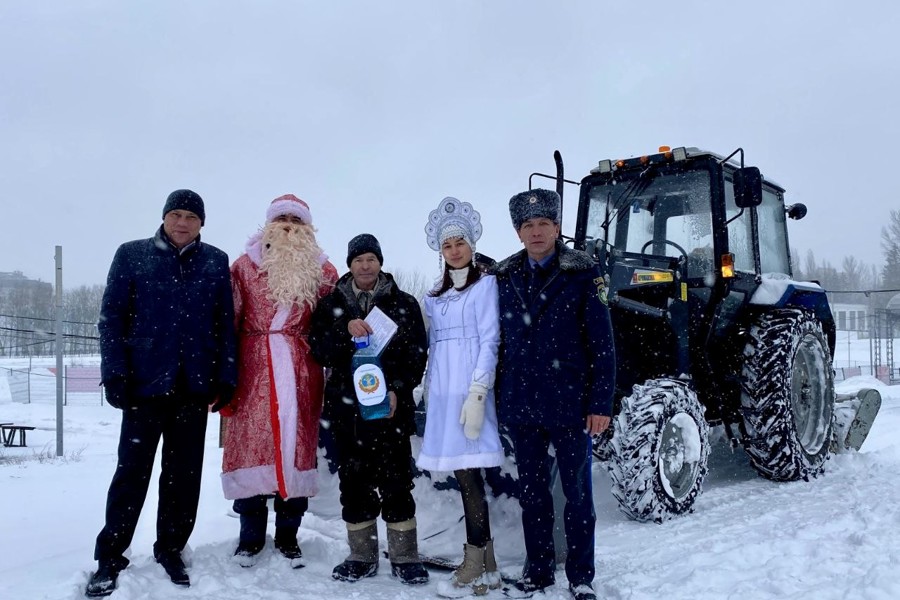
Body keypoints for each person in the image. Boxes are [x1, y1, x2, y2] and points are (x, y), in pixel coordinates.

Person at [86, 189, 238, 597]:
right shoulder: (132, 254)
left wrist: (225, 378)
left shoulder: (215, 261)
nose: (182, 222)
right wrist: (115, 373)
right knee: (130, 475)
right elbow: (111, 317)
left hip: (192, 388)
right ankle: (110, 557)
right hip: (144, 385)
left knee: (183, 477)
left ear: (202, 223)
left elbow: (225, 323)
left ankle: (171, 548)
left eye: (190, 215)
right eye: (175, 214)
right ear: (164, 217)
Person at [494, 189, 615, 600]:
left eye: (544, 224)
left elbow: (603, 345)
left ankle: (581, 576)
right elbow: (498, 344)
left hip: (570, 404)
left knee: (577, 494)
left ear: (557, 228)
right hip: (522, 404)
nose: (536, 232)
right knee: (532, 495)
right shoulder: (505, 276)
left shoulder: (582, 273)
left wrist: (600, 403)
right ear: (518, 232)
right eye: (528, 226)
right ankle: (539, 570)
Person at [220, 194, 338, 568]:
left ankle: (288, 536)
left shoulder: (324, 272)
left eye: (296, 219)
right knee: (253, 450)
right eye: (282, 218)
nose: (289, 225)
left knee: (296, 449)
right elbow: (227, 323)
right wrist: (225, 374)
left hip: (301, 370)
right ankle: (251, 537)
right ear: (269, 223)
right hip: (253, 369)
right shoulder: (242, 267)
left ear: (308, 227)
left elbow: (333, 322)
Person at [309, 233, 429, 585]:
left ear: (380, 262)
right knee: (354, 482)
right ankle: (361, 554)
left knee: (396, 481)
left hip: (390, 411)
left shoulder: (403, 302)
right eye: (358, 259)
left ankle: (405, 555)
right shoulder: (332, 304)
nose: (365, 265)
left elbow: (416, 356)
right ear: (349, 265)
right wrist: (344, 329)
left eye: (371, 259)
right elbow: (319, 350)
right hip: (348, 413)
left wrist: (398, 389)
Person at [417, 197, 504, 597]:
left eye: (460, 243)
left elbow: (490, 339)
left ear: (471, 245)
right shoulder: (434, 297)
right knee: (462, 474)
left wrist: (479, 391)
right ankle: (486, 569)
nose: (454, 251)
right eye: (447, 245)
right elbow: (434, 347)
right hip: (445, 395)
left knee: (471, 477)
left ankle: (476, 563)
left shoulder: (486, 284)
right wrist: (427, 388)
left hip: (470, 394)